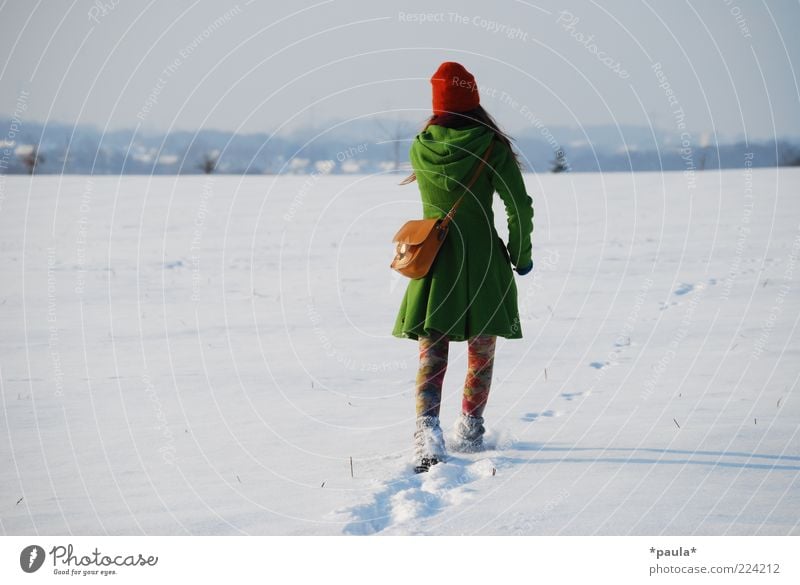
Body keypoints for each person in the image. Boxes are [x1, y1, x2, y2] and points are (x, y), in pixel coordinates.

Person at [392, 62, 535, 473]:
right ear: (473, 99)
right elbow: (518, 207)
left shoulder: (420, 145)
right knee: (481, 351)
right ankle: (470, 428)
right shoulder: (491, 145)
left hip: (435, 261)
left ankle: (427, 432)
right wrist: (520, 255)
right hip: (484, 260)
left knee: (432, 350)